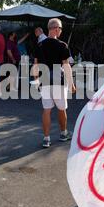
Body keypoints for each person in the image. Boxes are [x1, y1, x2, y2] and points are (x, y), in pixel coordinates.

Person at [34, 18, 76, 149]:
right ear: (56, 29)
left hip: (44, 80)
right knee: (61, 108)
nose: (61, 31)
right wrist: (71, 84)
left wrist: (36, 81)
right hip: (58, 80)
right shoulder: (62, 45)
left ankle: (46, 139)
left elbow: (35, 65)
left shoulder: (40, 45)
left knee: (46, 110)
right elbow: (66, 66)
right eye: (61, 28)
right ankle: (63, 133)